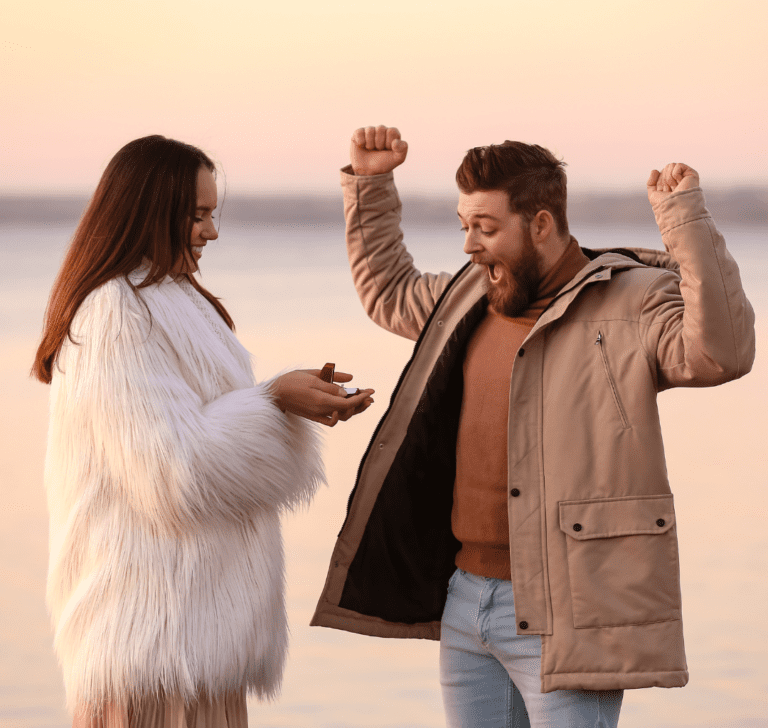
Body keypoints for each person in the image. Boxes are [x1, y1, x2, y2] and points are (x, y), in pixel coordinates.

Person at [311, 126, 756, 727]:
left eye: (486, 228)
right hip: (465, 602)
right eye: (464, 225)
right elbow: (390, 291)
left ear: (541, 224)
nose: (469, 244)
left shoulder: (634, 301)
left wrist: (683, 223)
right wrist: (370, 183)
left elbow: (721, 353)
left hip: (568, 611)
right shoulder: (472, 296)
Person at [31, 135, 374, 727]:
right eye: (197, 215)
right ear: (148, 211)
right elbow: (173, 473)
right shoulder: (115, 309)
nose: (211, 232)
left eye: (212, 214)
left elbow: (190, 431)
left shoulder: (171, 298)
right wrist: (272, 400)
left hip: (192, 643)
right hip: (150, 649)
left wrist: (289, 401)